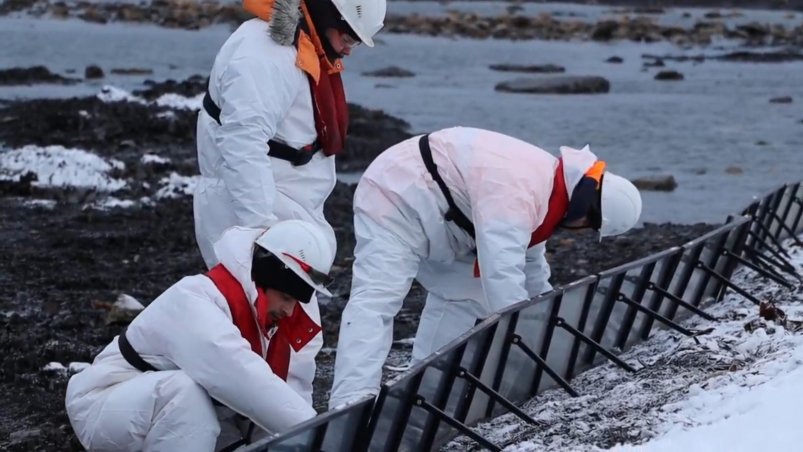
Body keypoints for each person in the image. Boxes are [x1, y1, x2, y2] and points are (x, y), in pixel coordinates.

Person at [329, 126, 643, 408]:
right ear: (588, 211)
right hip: (395, 193)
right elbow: (503, 276)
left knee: (463, 298)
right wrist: (531, 340)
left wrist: (554, 330)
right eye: (588, 226)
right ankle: (350, 404)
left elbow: (532, 267)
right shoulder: (523, 188)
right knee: (377, 301)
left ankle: (423, 397)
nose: (580, 231)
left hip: (444, 215)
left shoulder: (551, 187)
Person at [65, 219, 336, 451]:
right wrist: (326, 439)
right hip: (100, 403)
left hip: (153, 408)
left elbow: (273, 410)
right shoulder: (194, 301)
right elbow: (243, 379)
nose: (289, 311)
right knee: (186, 394)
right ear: (264, 278)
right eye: (286, 297)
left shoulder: (261, 320)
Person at [193, 0, 386, 269]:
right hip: (254, 213)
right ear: (326, 14)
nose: (349, 50)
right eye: (348, 38)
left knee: (286, 306)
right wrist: (262, 231)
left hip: (289, 202)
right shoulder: (266, 54)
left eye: (356, 43)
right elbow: (243, 140)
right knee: (260, 307)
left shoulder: (305, 48)